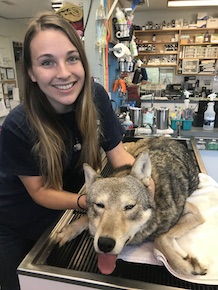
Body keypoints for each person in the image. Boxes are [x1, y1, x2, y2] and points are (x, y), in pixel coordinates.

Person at [0, 11, 135, 290]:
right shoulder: (18, 126)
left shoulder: (96, 96)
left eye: (72, 58)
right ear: (31, 73)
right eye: (47, 62)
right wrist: (89, 203)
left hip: (66, 211)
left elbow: (119, 156)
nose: (63, 73)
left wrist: (147, 187)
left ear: (82, 62)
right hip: (15, 224)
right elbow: (39, 192)